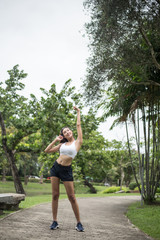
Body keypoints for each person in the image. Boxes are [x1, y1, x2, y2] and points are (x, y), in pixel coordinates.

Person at [44, 106, 84, 232]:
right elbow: (47, 150)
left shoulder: (77, 142)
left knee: (71, 197)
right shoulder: (62, 144)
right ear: (63, 135)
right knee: (55, 195)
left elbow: (78, 125)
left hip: (66, 170)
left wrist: (78, 112)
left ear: (71, 131)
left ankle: (79, 223)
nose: (67, 132)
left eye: (68, 130)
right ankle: (55, 221)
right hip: (56, 168)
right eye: (64, 132)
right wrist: (55, 140)